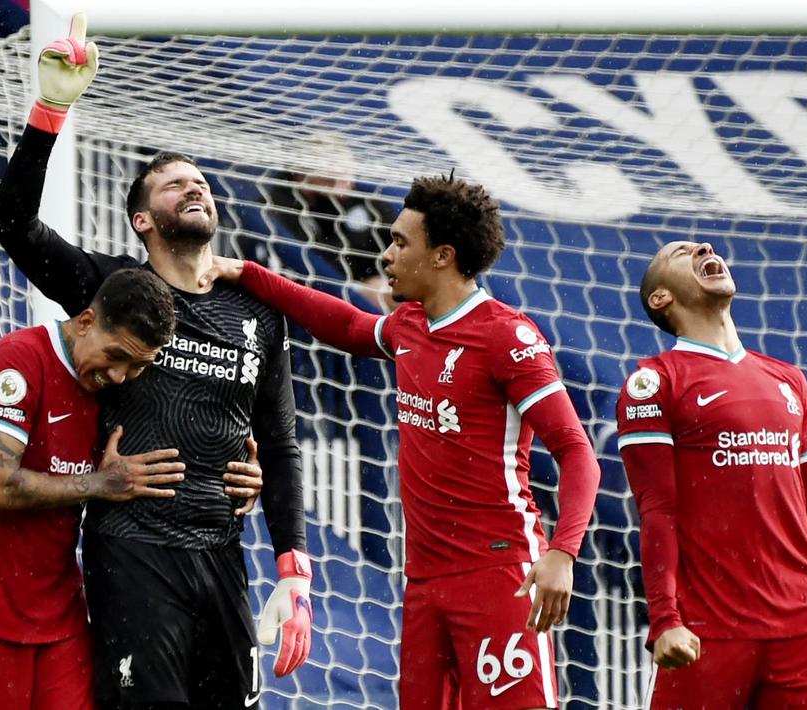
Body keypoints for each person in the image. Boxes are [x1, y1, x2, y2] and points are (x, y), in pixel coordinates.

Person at [0, 15, 310, 709]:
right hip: (134, 553)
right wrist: (50, 111)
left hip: (224, 554)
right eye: (172, 185)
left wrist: (293, 567)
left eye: (199, 181)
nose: (193, 188)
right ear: (142, 220)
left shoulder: (258, 313)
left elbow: (279, 445)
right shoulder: (116, 293)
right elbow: (13, 224)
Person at [203, 173, 600, 709]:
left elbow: (578, 452)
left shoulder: (508, 336)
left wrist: (563, 552)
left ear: (442, 256)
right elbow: (344, 324)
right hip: (423, 579)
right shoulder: (410, 325)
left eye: (400, 243)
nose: (387, 255)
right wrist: (248, 273)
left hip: (499, 572)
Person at [616, 240, 807, 708]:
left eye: (703, 246)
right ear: (662, 299)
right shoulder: (655, 383)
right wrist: (665, 620)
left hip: (804, 627)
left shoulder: (788, 380)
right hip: (707, 632)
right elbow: (657, 508)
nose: (704, 246)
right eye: (681, 253)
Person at [0, 268, 188, 709]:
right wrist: (98, 484)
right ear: (85, 321)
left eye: (138, 366)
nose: (121, 375)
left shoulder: (110, 388)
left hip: (61, 623)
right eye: (117, 355)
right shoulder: (20, 360)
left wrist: (246, 470)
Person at [255, 133, 394, 309]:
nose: (344, 187)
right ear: (301, 177)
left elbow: (395, 234)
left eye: (348, 177)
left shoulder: (361, 198)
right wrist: (359, 290)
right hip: (322, 294)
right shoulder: (277, 210)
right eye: (330, 180)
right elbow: (309, 267)